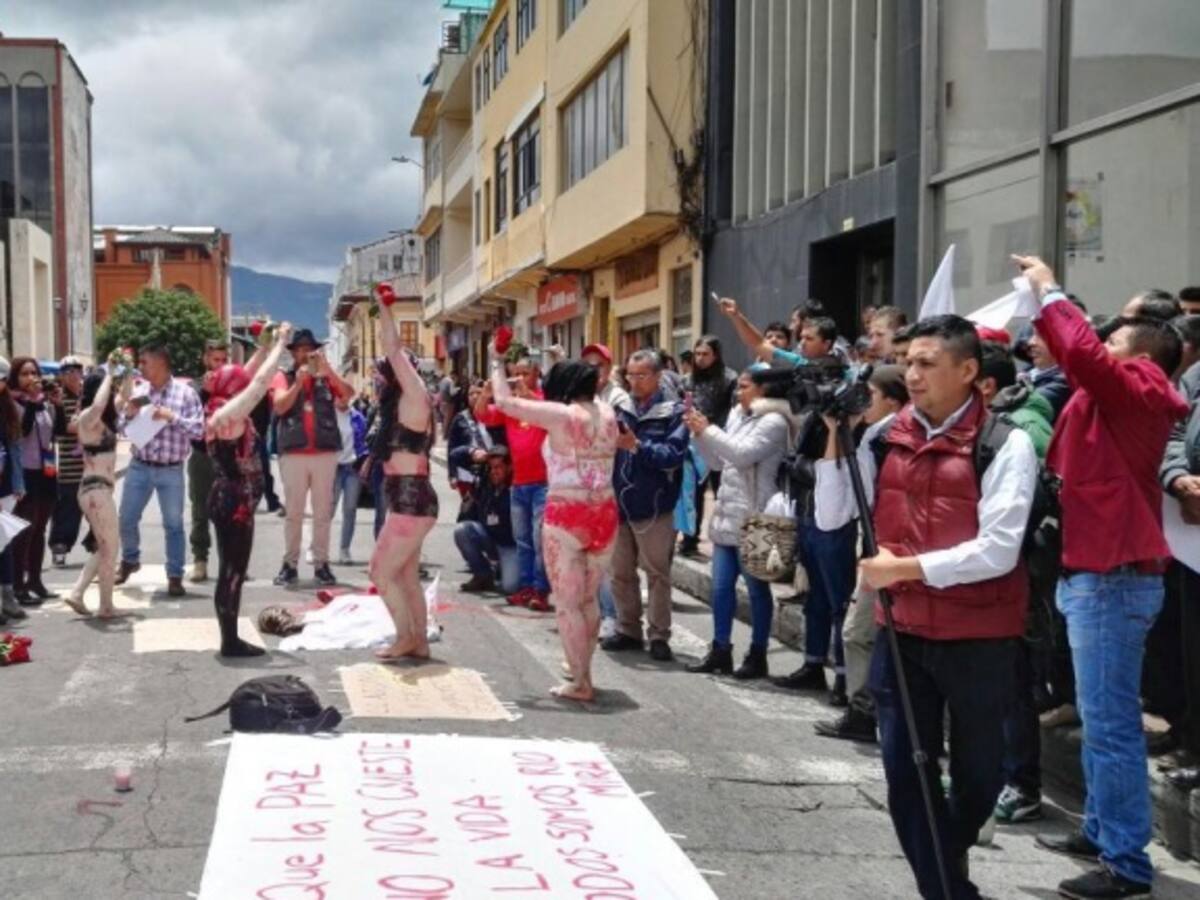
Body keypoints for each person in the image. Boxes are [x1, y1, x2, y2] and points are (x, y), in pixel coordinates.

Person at [815, 314, 1039, 900]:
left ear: (969, 372)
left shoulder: (1005, 442)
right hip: (902, 630)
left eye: (926, 364)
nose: (911, 375)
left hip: (979, 635)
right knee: (906, 774)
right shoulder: (884, 435)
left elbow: (998, 550)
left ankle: (947, 858)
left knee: (978, 778)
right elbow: (831, 516)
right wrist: (836, 435)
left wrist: (906, 569)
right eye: (907, 362)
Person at [1017, 256, 1186, 900]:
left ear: (1143, 355)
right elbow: (1076, 355)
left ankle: (1126, 864)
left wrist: (1049, 288)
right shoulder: (1112, 393)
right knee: (1098, 714)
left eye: (1114, 336)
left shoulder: (1142, 387)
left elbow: (1083, 356)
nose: (1100, 340)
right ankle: (1101, 831)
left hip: (1112, 577)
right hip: (1092, 571)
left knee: (1111, 721)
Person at [489, 351, 619, 702]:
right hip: (605, 511)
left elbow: (502, 401)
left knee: (566, 602)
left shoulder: (561, 416)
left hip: (568, 512)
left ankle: (580, 681)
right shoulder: (608, 412)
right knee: (588, 599)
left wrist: (495, 361)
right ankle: (583, 670)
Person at [814, 365, 908, 744]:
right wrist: (838, 431)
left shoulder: (890, 438)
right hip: (875, 551)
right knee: (857, 633)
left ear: (893, 400)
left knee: (867, 635)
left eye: (871, 393)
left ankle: (876, 713)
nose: (863, 401)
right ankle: (861, 712)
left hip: (901, 557)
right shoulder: (871, 437)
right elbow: (834, 509)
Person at [685, 366, 797, 679]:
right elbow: (719, 461)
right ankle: (720, 649)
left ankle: (757, 653)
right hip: (726, 513)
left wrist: (708, 430)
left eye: (745, 386)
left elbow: (742, 454)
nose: (738, 392)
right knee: (720, 588)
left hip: (758, 517)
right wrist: (700, 436)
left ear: (764, 390)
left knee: (757, 589)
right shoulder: (736, 415)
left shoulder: (775, 421)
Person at [205, 323, 292, 657]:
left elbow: (246, 375)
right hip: (234, 501)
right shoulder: (229, 415)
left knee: (231, 570)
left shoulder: (218, 407)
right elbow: (256, 384)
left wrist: (263, 345)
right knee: (232, 572)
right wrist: (280, 345)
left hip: (229, 497)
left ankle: (230, 637)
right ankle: (230, 641)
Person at [601, 349, 689, 662]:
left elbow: (672, 455)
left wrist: (637, 446)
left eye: (641, 376)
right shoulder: (620, 408)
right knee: (621, 573)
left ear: (658, 376)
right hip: (619, 502)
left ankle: (659, 635)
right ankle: (628, 629)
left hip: (654, 505)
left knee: (657, 574)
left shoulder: (674, 412)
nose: (634, 382)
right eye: (630, 376)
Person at [368, 304, 438, 661]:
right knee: (407, 576)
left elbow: (393, 350)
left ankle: (405, 636)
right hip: (408, 500)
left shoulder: (414, 397)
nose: (378, 379)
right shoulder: (398, 404)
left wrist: (384, 309)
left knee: (379, 571)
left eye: (382, 374)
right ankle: (419, 642)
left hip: (411, 501)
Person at [116, 344, 205, 596]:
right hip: (140, 465)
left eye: (144, 362)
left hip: (171, 469)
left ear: (161, 362)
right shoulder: (139, 392)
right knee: (126, 518)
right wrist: (129, 415)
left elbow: (199, 430)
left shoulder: (185, 394)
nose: (140, 367)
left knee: (173, 524)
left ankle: (175, 575)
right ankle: (130, 559)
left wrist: (171, 417)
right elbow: (121, 428)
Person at [270, 328, 353, 587]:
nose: (306, 354)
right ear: (294, 353)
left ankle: (321, 564)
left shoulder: (325, 376)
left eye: (310, 349)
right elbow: (280, 405)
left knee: (322, 513)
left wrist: (328, 371)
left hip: (324, 452)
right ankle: (290, 564)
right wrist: (298, 382)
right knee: (294, 513)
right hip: (294, 453)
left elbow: (347, 395)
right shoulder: (283, 377)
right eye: (301, 349)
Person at [475, 355, 552, 610]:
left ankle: (541, 590)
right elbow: (482, 414)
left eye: (524, 373)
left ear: (537, 373)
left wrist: (524, 393)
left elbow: (545, 412)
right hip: (519, 483)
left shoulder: (545, 401)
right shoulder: (511, 407)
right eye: (515, 373)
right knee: (523, 540)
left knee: (540, 539)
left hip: (543, 483)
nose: (519, 379)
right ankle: (526, 587)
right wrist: (486, 394)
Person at [62, 354, 132, 619]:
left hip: (98, 491)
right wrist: (110, 374)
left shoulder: (99, 418)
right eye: (106, 385)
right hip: (95, 491)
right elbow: (102, 402)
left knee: (104, 546)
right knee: (110, 547)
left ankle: (77, 593)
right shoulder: (88, 419)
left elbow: (124, 396)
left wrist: (125, 371)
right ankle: (105, 606)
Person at [679, 335, 738, 557]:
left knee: (724, 491)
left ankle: (727, 541)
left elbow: (733, 411)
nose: (700, 359)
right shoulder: (687, 381)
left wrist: (712, 430)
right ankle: (689, 540)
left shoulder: (730, 378)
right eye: (697, 354)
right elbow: (680, 408)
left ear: (716, 355)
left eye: (705, 354)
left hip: (720, 442)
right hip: (693, 443)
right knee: (693, 492)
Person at [9, 357, 60, 604]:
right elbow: (24, 430)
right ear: (15, 378)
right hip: (26, 472)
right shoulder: (14, 403)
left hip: (47, 471)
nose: (31, 378)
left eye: (34, 373)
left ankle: (36, 580)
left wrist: (56, 404)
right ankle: (17, 585)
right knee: (24, 529)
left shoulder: (42, 405)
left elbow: (55, 431)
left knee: (40, 528)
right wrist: (30, 401)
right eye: (24, 374)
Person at [187, 338, 228, 583]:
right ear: (205, 359)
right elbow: (190, 419)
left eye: (224, 360)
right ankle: (200, 560)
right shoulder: (193, 387)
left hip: (227, 455)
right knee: (200, 510)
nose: (220, 365)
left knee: (228, 513)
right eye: (216, 360)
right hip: (202, 455)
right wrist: (206, 392)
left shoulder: (233, 384)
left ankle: (230, 563)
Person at [454, 446, 518, 594]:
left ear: (509, 467)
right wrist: (473, 452)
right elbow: (455, 456)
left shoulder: (516, 489)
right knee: (462, 530)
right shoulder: (484, 483)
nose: (493, 471)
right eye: (490, 467)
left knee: (510, 587)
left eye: (498, 467)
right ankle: (483, 575)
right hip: (489, 538)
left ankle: (503, 569)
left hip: (510, 546)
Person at [49, 356, 85, 567]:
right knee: (67, 510)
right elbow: (60, 429)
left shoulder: (87, 396)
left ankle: (98, 546)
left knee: (97, 510)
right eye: (68, 371)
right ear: (61, 375)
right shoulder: (58, 399)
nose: (73, 374)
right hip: (69, 466)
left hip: (91, 464)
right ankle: (59, 546)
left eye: (77, 370)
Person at [0, 357, 26, 624]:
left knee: (2, 543)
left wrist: (18, 484)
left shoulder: (10, 410)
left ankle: (7, 596)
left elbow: (14, 450)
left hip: (5, 487)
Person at [332, 393, 368, 565]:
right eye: (339, 395)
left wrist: (362, 461)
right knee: (327, 510)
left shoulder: (358, 417)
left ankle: (344, 549)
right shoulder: (328, 415)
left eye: (344, 395)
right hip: (333, 468)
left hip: (352, 467)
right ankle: (316, 547)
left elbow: (364, 442)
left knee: (350, 509)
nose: (342, 398)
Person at [446, 380, 492, 502]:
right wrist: (452, 475)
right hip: (466, 472)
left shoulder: (493, 415)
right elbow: (452, 447)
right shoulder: (460, 418)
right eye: (471, 394)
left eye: (478, 393)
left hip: (490, 471)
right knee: (469, 510)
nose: (474, 397)